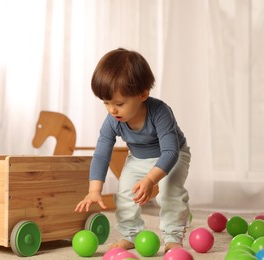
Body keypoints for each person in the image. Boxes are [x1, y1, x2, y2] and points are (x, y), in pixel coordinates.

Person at [74, 48, 191, 253]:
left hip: (173, 155)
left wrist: (150, 180)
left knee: (170, 192)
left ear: (143, 94)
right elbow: (102, 153)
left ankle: (173, 235)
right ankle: (131, 234)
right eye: (106, 103)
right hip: (138, 158)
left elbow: (170, 152)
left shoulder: (160, 112)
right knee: (125, 193)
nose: (112, 110)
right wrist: (94, 190)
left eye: (119, 103)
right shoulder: (113, 120)